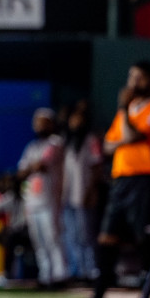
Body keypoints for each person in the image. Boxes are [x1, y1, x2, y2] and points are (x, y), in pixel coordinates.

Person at [70, 61, 150, 298]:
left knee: (145, 240)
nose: (133, 82)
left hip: (145, 180)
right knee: (106, 239)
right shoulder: (128, 111)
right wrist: (123, 134)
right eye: (131, 76)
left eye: (140, 77)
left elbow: (133, 137)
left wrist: (123, 112)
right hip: (120, 181)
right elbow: (107, 146)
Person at [16, 108, 67, 287]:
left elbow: (41, 165)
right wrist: (30, 168)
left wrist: (30, 168)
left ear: (51, 124)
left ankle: (60, 275)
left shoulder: (55, 143)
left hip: (50, 198)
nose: (38, 126)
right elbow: (21, 172)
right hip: (33, 199)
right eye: (36, 123)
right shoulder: (32, 147)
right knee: (39, 241)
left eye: (42, 122)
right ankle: (46, 276)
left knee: (53, 237)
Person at [61, 103, 102, 281]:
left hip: (84, 193)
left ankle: (93, 270)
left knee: (87, 234)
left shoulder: (91, 140)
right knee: (72, 235)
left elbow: (97, 166)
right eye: (72, 118)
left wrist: (91, 191)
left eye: (78, 118)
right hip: (67, 195)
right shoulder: (67, 141)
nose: (75, 122)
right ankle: (78, 270)